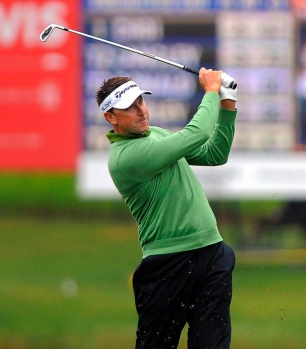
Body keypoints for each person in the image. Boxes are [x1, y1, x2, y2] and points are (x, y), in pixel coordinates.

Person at [95, 68, 238, 349]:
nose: (141, 111)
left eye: (141, 101)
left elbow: (215, 153)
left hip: (211, 253)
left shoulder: (156, 134)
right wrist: (211, 90)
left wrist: (227, 103)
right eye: (129, 108)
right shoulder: (125, 158)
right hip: (167, 267)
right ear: (110, 118)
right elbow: (195, 135)